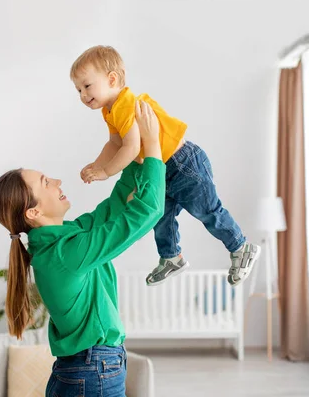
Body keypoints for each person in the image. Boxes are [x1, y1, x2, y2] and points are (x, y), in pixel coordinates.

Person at [0, 101, 164, 397]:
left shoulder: (64, 238)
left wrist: (133, 154)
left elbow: (113, 209)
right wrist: (154, 146)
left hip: (86, 369)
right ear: (33, 212)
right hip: (93, 371)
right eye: (46, 182)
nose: (57, 181)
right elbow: (147, 212)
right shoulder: (63, 254)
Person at [70, 45, 260, 286]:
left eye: (87, 86)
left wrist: (106, 171)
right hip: (162, 168)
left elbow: (130, 147)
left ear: (111, 79)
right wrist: (96, 165)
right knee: (160, 217)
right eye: (78, 90)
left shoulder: (126, 104)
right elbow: (114, 143)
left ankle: (241, 247)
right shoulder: (110, 111)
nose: (83, 95)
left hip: (183, 163)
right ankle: (171, 257)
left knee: (207, 211)